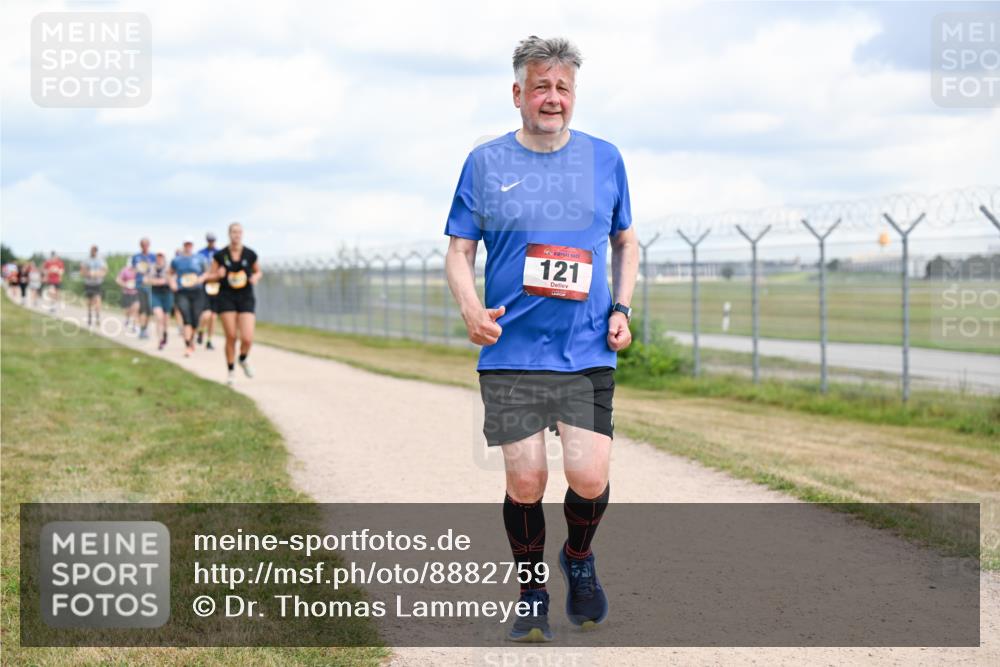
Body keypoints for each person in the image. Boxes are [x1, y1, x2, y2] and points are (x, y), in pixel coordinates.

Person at [444, 36, 638, 643]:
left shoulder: (606, 159)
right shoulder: (486, 162)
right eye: (541, 87)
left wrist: (623, 307)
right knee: (526, 481)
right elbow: (457, 251)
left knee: (588, 478)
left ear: (573, 96)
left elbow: (625, 240)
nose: (552, 98)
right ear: (518, 94)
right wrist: (471, 308)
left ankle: (578, 557)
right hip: (511, 351)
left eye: (563, 88)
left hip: (584, 351)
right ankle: (531, 591)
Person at [205, 222, 261, 385]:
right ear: (229, 234)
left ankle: (242, 358)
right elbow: (210, 276)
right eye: (233, 232)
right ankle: (230, 371)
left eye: (239, 232)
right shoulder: (221, 255)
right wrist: (217, 274)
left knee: (247, 337)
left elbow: (258, 271)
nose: (236, 235)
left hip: (245, 296)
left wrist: (256, 277)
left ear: (242, 234)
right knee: (231, 336)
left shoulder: (250, 254)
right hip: (227, 296)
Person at [169, 239, 208, 357]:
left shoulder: (200, 258)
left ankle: (191, 339)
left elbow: (206, 272)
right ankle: (188, 345)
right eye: (186, 244)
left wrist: (202, 279)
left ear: (192, 245)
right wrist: (172, 283)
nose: (188, 246)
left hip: (197, 291)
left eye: (190, 244)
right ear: (183, 245)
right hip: (182, 292)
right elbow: (170, 273)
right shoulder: (177, 260)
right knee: (186, 317)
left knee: (196, 318)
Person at [197, 232, 220, 349]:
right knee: (206, 315)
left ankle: (209, 340)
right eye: (209, 240)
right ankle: (200, 331)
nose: (211, 242)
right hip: (205, 286)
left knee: (214, 316)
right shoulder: (201, 254)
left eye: (213, 240)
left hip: (217, 286)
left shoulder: (219, 253)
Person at [146, 252, 174, 351]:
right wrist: (156, 282)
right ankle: (160, 340)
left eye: (161, 256)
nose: (160, 258)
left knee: (166, 318)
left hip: (167, 294)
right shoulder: (151, 267)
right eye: (158, 256)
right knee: (158, 316)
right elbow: (146, 279)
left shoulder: (169, 267)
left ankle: (165, 332)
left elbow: (172, 279)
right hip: (155, 294)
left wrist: (166, 281)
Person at [131, 238, 157, 340]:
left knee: (149, 310)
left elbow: (156, 269)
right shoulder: (136, 257)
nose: (144, 246)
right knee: (140, 308)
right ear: (140, 245)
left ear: (149, 245)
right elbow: (133, 269)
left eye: (146, 244)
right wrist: (137, 270)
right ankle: (141, 329)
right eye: (142, 244)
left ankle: (145, 328)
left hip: (150, 285)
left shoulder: (153, 256)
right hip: (139, 285)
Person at [81, 246, 108, 327]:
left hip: (97, 284)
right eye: (92, 251)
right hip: (89, 284)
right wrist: (88, 274)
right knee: (89, 302)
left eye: (95, 251)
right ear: (90, 251)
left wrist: (100, 274)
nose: (93, 252)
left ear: (97, 251)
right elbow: (82, 271)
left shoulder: (100, 260)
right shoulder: (86, 260)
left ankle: (97, 317)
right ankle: (89, 316)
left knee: (98, 300)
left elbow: (105, 270)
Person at [116, 262, 140, 331]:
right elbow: (118, 280)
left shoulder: (138, 271)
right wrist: (125, 284)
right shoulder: (124, 270)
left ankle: (135, 326)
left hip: (136, 292)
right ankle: (127, 319)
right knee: (128, 310)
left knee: (136, 308)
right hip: (126, 293)